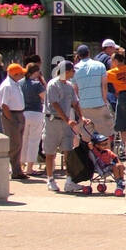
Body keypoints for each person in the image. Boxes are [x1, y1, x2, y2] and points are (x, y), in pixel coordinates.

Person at [44, 59, 82, 192]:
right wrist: (67, 119)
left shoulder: (70, 85)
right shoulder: (53, 84)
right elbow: (54, 104)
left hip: (66, 123)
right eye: (72, 71)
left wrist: (82, 117)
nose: (73, 73)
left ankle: (69, 181)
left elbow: (75, 103)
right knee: (50, 152)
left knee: (68, 151)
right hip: (53, 121)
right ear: (66, 71)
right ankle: (50, 179)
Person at [0, 63, 28, 180]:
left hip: (19, 114)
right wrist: (11, 120)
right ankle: (14, 170)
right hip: (12, 115)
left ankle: (17, 169)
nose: (22, 75)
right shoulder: (7, 86)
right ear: (15, 74)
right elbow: (4, 105)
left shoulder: (15, 84)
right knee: (14, 144)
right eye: (20, 73)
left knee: (18, 144)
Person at [73, 44, 111, 134]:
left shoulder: (75, 69)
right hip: (99, 104)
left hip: (83, 106)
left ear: (78, 55)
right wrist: (104, 101)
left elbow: (75, 89)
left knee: (87, 134)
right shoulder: (100, 65)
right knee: (105, 134)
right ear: (89, 53)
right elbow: (104, 86)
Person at [20, 61, 46, 177]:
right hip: (35, 113)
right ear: (35, 72)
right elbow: (45, 97)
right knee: (34, 141)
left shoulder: (20, 83)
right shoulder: (36, 84)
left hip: (23, 113)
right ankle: (30, 168)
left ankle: (21, 165)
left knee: (23, 140)